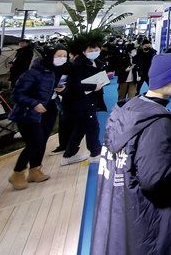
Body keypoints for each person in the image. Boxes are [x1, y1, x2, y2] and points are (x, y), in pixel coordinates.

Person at [91, 53, 171, 255]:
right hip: (153, 222)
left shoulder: (130, 108)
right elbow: (157, 177)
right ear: (167, 79)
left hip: (124, 213)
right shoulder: (157, 123)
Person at [7, 45, 68, 190]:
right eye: (58, 55)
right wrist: (34, 104)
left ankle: (35, 170)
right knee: (34, 142)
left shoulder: (59, 71)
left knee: (42, 141)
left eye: (64, 56)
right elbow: (17, 94)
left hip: (49, 109)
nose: (62, 59)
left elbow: (55, 90)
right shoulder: (33, 73)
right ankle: (17, 173)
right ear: (50, 56)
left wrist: (63, 89)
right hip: (29, 113)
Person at [61, 34, 108, 166]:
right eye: (90, 50)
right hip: (81, 101)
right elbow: (74, 85)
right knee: (93, 127)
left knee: (81, 128)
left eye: (96, 50)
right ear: (83, 51)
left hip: (92, 99)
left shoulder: (98, 62)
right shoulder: (77, 65)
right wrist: (93, 87)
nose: (94, 52)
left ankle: (69, 154)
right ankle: (95, 153)